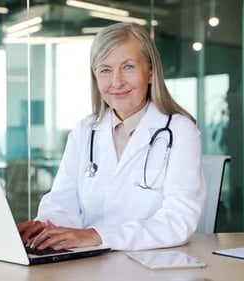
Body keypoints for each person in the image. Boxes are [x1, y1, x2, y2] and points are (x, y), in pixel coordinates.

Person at [18, 22, 205, 251]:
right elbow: (63, 200)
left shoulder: (180, 132)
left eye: (128, 67)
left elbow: (177, 222)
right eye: (105, 70)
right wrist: (46, 226)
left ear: (150, 72)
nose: (116, 81)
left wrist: (96, 235)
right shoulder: (84, 132)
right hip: (88, 263)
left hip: (149, 266)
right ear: (95, 76)